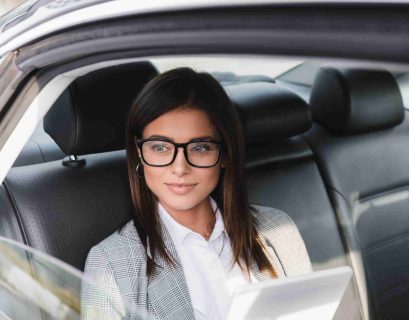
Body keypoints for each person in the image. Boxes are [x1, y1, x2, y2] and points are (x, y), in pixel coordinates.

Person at [81, 67, 312, 320]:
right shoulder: (111, 263)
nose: (180, 168)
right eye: (160, 147)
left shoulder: (278, 231)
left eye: (200, 148)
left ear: (224, 154)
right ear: (139, 153)